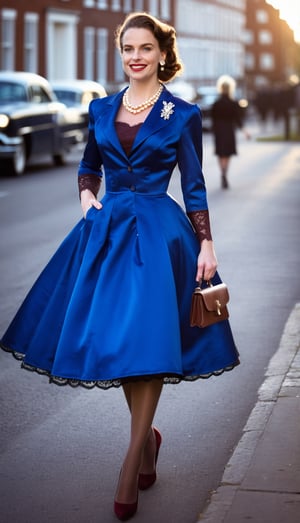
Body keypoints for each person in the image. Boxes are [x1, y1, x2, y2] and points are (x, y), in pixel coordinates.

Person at [0, 13, 239, 521]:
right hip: (106, 235)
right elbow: (89, 167)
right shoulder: (102, 108)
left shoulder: (183, 113)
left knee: (149, 343)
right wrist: (88, 198)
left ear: (161, 53)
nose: (135, 56)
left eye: (145, 48)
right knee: (124, 342)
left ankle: (131, 460)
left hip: (160, 236)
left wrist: (206, 245)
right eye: (128, 48)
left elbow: (193, 185)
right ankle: (148, 439)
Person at [211, 75, 250, 189]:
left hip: (219, 130)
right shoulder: (233, 103)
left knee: (220, 153)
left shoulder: (216, 103)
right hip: (229, 130)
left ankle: (222, 172)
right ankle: (225, 173)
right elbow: (238, 120)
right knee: (227, 154)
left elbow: (213, 119)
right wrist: (245, 131)